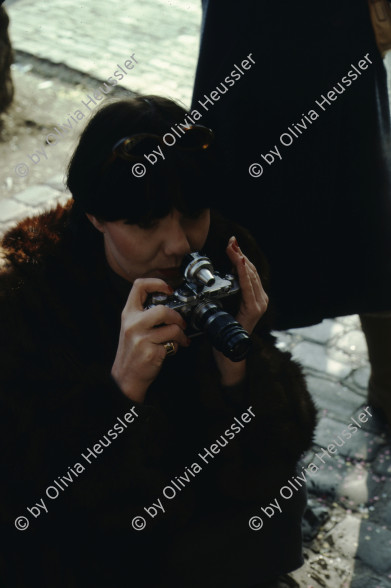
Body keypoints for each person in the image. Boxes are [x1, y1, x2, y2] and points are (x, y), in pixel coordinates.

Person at [0, 95, 316, 588]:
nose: (179, 245)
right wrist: (121, 390)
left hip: (200, 516)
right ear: (94, 216)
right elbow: (29, 490)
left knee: (276, 511)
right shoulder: (30, 297)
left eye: (193, 212)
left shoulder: (224, 257)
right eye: (145, 224)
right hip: (90, 535)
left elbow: (273, 456)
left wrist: (239, 364)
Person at [191, 0, 391, 425]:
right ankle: (239, 377)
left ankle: (388, 385)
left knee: (366, 210)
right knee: (240, 217)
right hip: (248, 34)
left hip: (333, 33)